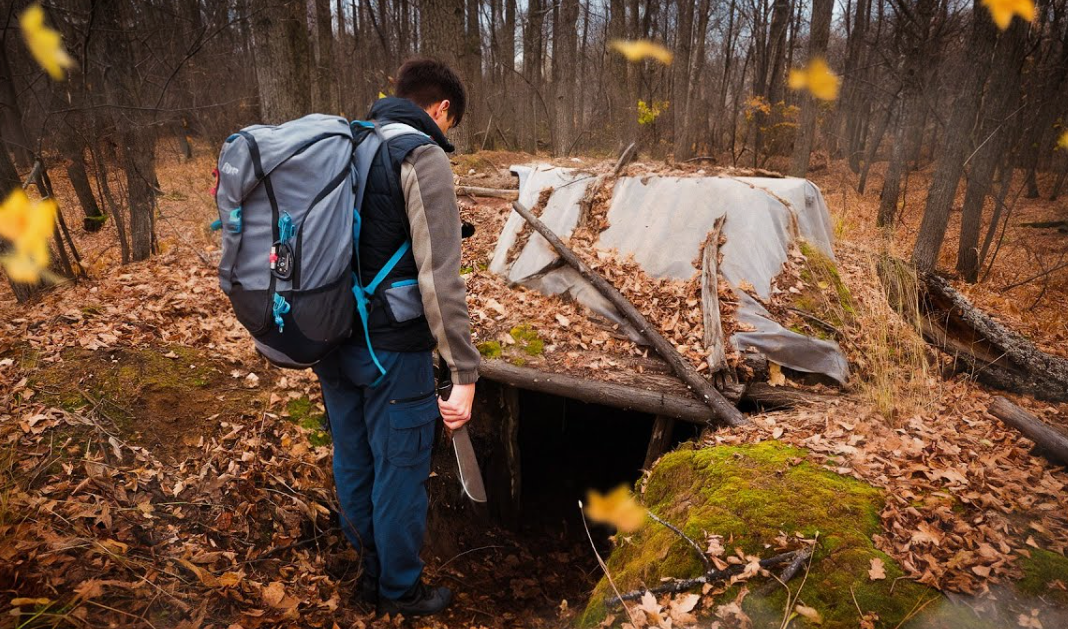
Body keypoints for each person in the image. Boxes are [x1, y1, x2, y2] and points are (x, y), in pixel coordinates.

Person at [313, 58, 479, 618]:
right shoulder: (420, 155)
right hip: (393, 350)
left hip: (331, 335)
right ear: (441, 110)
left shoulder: (346, 144)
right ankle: (399, 589)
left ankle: (368, 573)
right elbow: (439, 277)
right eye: (450, 122)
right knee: (401, 470)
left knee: (353, 459)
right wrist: (464, 373)